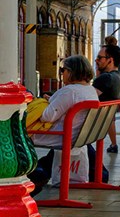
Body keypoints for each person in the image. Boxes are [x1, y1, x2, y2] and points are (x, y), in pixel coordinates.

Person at [27, 55, 98, 195]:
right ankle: (37, 175)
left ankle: (29, 177)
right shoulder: (90, 90)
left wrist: (44, 103)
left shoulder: (70, 91)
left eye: (63, 70)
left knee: (20, 135)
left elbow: (47, 116)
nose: (61, 73)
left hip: (62, 136)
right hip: (81, 136)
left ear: (71, 72)